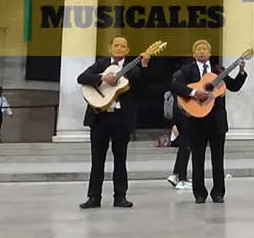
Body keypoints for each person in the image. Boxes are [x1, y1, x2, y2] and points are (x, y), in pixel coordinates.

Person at [77, 36, 151, 209]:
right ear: (110, 48)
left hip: (121, 118)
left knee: (120, 159)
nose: (119, 48)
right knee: (97, 160)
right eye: (116, 45)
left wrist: (145, 65)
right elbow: (82, 78)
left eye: (122, 46)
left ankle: (120, 196)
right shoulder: (101, 64)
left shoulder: (133, 69)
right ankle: (94, 197)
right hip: (100, 117)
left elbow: (143, 87)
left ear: (127, 50)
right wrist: (102, 78)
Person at [171, 39, 247, 204]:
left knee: (218, 158)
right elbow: (175, 85)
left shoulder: (218, 70)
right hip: (195, 121)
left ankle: (218, 192)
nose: (202, 51)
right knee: (197, 158)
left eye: (205, 48)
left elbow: (233, 86)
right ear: (193, 54)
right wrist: (193, 93)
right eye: (198, 49)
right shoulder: (186, 70)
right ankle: (199, 193)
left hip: (216, 121)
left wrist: (241, 72)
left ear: (210, 53)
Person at [166, 90, 192, 189]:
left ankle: (177, 174)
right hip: (185, 110)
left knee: (184, 145)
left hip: (180, 110)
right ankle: (181, 177)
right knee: (186, 145)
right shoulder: (186, 78)